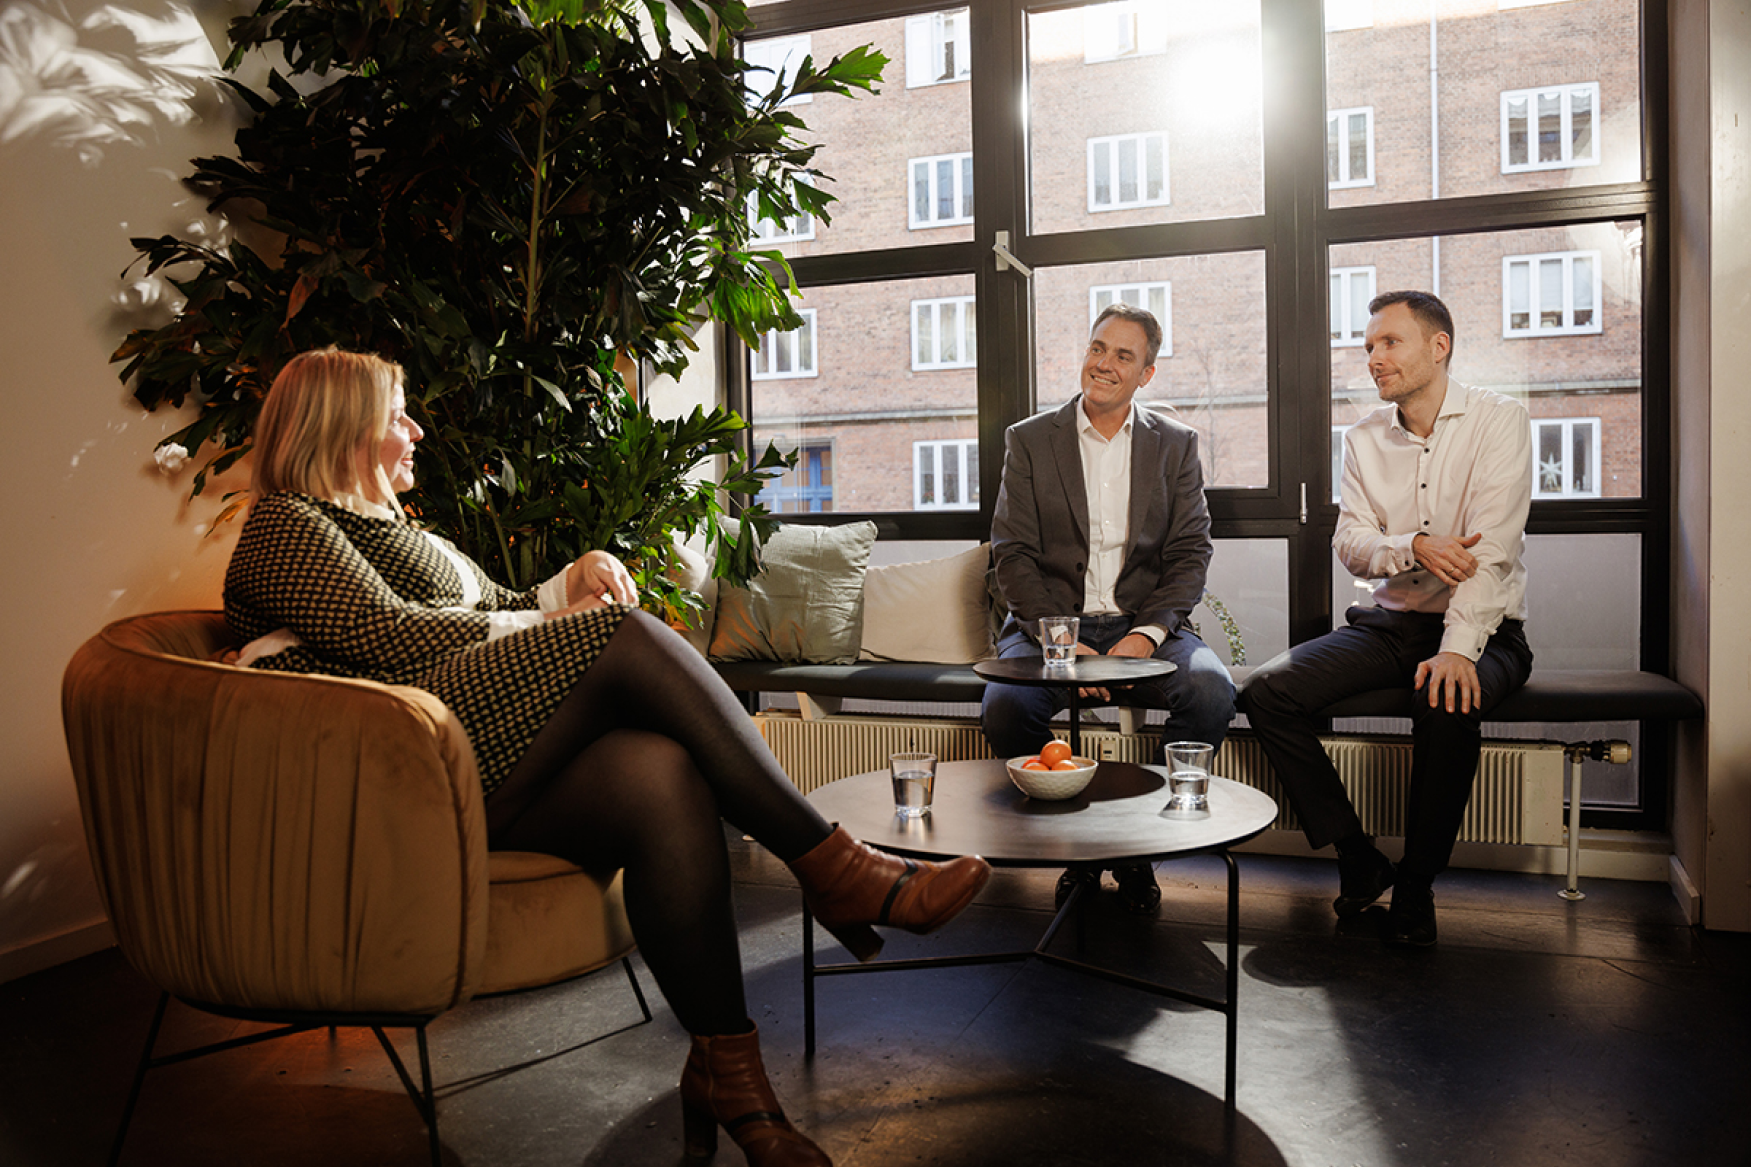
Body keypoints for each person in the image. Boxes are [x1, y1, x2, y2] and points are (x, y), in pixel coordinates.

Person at [222, 348, 992, 1167]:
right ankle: (837, 868)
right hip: (394, 778)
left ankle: (731, 1075)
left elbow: (496, 610)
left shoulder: (392, 526)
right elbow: (392, 639)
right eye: (396, 414)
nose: (415, 430)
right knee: (624, 636)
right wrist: (564, 628)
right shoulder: (286, 523)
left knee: (659, 774)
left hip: (463, 752)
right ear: (339, 430)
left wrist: (568, 584)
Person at [1236, 290, 1534, 948]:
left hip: (1486, 630)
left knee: (1447, 697)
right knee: (1265, 691)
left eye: (1388, 342)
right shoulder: (1363, 438)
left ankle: (1417, 886)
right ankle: (1355, 854)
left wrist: (1458, 649)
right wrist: (1412, 546)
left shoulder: (1499, 421)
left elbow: (1491, 556)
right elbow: (1349, 542)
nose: (1372, 357)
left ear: (1438, 346)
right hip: (1390, 623)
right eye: (1367, 345)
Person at [982, 303, 1236, 913]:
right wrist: (1062, 642)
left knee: (1209, 691)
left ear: (1146, 374)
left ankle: (1132, 845)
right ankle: (1076, 846)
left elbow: (1189, 552)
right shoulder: (1030, 439)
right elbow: (1012, 553)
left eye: (1124, 355)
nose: (1104, 364)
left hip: (1140, 623)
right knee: (1006, 707)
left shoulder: (1175, 445)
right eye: (1098, 348)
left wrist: (1145, 637)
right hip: (1048, 624)